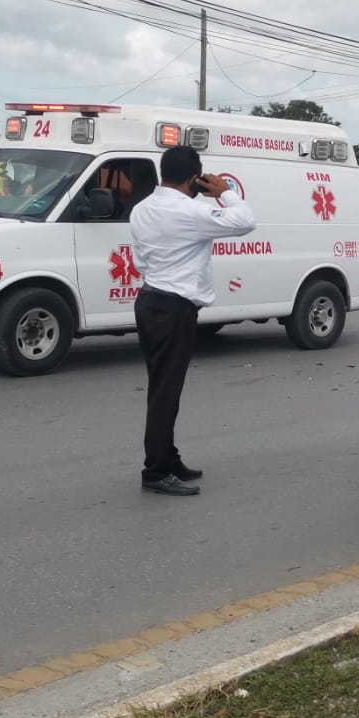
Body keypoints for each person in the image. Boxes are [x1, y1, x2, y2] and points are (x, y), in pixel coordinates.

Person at [128, 145, 257, 496]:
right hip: (173, 308)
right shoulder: (190, 211)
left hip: (150, 299)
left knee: (161, 387)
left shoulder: (142, 208)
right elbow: (245, 222)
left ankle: (168, 459)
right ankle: (156, 471)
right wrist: (226, 193)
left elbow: (142, 259)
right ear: (193, 178)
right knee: (165, 394)